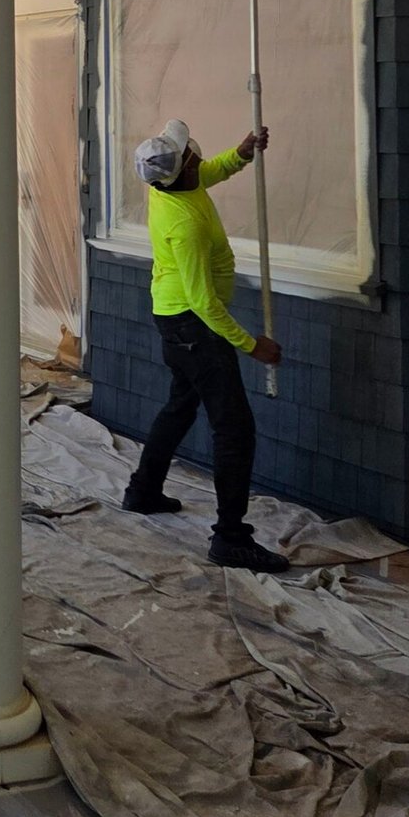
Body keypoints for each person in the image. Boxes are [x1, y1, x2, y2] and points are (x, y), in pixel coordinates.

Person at [121, 117, 289, 574]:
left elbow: (207, 174)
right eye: (192, 153)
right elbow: (204, 302)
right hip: (194, 326)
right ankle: (230, 538)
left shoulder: (169, 186)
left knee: (180, 405)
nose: (196, 152)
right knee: (234, 429)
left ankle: (143, 491)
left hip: (172, 318)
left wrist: (241, 154)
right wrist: (251, 344)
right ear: (186, 167)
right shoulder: (186, 226)